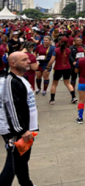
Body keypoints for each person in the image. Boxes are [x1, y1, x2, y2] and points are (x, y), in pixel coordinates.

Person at [0, 52, 38, 186]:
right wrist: (21, 129)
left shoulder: (21, 79)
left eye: (28, 59)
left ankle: (26, 183)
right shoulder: (10, 81)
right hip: (18, 132)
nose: (29, 61)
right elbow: (11, 107)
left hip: (28, 129)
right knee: (13, 165)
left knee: (21, 161)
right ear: (13, 64)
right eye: (24, 60)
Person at [46, 38, 78, 105]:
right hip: (67, 68)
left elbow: (52, 60)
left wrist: (47, 67)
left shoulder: (56, 50)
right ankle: (73, 97)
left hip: (58, 68)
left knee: (54, 84)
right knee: (67, 83)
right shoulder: (68, 50)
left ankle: (52, 100)